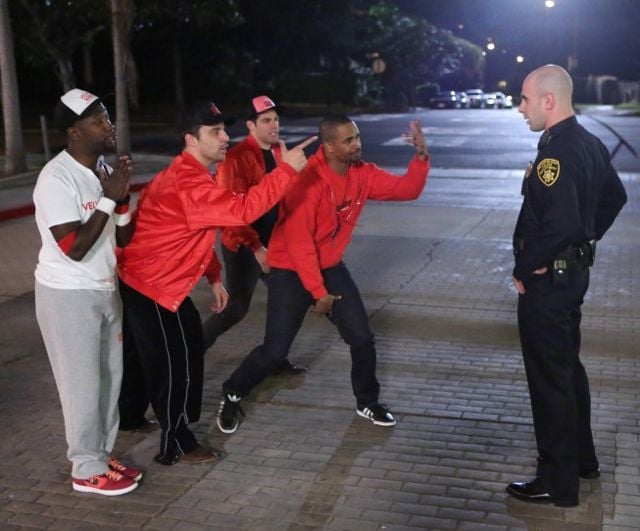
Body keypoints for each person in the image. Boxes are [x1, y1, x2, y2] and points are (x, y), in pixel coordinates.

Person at [117, 100, 316, 465]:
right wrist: (285, 172)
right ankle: (176, 441)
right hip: (155, 286)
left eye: (225, 130)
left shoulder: (183, 174)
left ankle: (128, 415)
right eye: (215, 132)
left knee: (148, 353)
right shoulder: (188, 182)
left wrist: (213, 276)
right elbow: (241, 211)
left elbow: (188, 232)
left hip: (141, 280)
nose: (225, 138)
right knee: (178, 364)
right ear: (190, 139)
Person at [216, 114, 430, 434]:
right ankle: (232, 392)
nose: (357, 144)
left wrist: (421, 156)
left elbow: (407, 189)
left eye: (357, 137)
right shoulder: (306, 181)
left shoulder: (363, 174)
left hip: (329, 266)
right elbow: (300, 244)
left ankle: (367, 402)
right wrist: (319, 294)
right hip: (290, 269)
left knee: (362, 338)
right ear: (329, 146)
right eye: (348, 140)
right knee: (275, 351)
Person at [507, 65, 627, 507]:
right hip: (571, 277)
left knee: (549, 381)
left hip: (549, 284)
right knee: (567, 371)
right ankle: (581, 460)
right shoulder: (591, 143)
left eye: (525, 98)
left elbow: (560, 223)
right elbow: (615, 198)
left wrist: (526, 266)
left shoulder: (556, 155)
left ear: (548, 101)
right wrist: (585, 240)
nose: (520, 107)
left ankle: (557, 482)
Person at [33, 88, 141, 496]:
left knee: (109, 380)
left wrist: (123, 198)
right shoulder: (55, 178)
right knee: (81, 385)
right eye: (99, 121)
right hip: (68, 294)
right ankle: (85, 469)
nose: (108, 126)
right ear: (74, 131)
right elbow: (73, 249)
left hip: (103, 287)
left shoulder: (99, 168)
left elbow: (124, 236)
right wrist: (109, 201)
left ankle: (99, 453)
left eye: (107, 118)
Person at [201, 95, 306, 374]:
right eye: (266, 120)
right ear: (251, 125)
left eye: (276, 120)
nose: (274, 125)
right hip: (245, 242)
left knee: (288, 298)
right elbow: (230, 212)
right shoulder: (235, 159)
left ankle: (275, 356)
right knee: (236, 308)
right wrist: (257, 248)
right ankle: (192, 348)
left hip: (275, 243)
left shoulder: (279, 153)